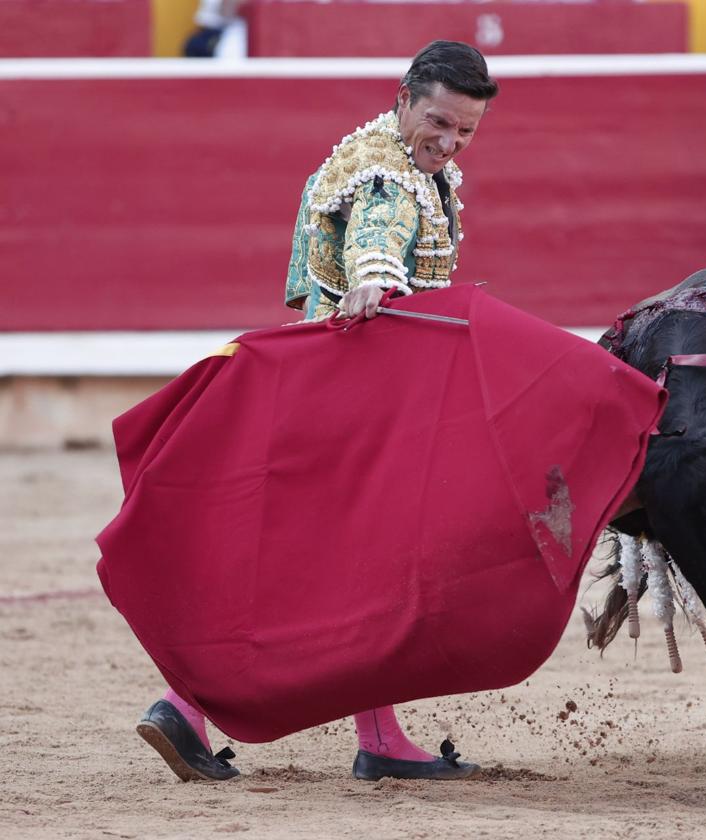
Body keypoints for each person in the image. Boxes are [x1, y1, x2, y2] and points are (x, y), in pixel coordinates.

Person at [136, 40, 499, 784]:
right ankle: (195, 702)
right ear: (404, 99)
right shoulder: (386, 175)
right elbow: (376, 239)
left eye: (465, 130)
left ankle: (359, 733)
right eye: (439, 121)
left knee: (350, 571)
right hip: (360, 401)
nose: (450, 141)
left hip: (335, 391)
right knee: (372, 571)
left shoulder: (378, 154)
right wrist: (374, 280)